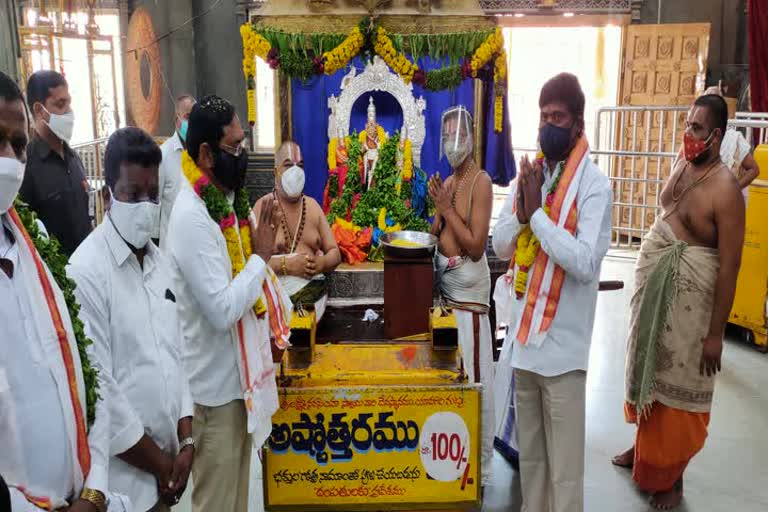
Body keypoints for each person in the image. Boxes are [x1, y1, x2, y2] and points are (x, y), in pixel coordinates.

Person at [613, 94, 744, 510]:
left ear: (717, 135)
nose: (688, 134)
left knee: (678, 392)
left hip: (692, 309)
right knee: (645, 371)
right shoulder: (682, 162)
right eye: (687, 125)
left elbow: (729, 267)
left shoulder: (726, 190)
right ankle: (642, 448)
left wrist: (715, 334)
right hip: (653, 296)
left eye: (698, 128)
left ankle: (672, 477)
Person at [0, 71, 120, 512]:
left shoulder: (33, 247)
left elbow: (86, 373)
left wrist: (93, 490)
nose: (10, 159)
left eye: (18, 145)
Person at [492, 73, 613, 512]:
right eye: (543, 116)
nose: (548, 126)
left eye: (557, 116)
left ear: (578, 123)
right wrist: (524, 211)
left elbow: (583, 262)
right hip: (525, 348)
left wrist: (537, 216)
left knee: (564, 474)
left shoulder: (595, 186)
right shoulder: (533, 174)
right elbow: (501, 244)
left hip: (564, 353)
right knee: (534, 467)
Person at [166, 95, 290, 512]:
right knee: (217, 504)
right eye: (235, 148)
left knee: (238, 502)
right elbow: (221, 309)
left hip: (237, 384)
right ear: (205, 154)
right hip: (213, 395)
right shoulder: (192, 218)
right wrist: (261, 257)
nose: (243, 157)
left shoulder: (225, 203)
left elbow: (246, 285)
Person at [68, 127, 195, 512]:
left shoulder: (160, 264)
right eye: (132, 195)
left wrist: (187, 441)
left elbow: (178, 355)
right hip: (127, 481)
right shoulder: (86, 270)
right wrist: (162, 466)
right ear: (108, 197)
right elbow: (101, 389)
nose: (145, 205)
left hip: (169, 472)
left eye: (152, 195)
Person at [428, 105, 495, 489]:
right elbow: (440, 233)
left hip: (468, 303)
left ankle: (478, 473)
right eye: (447, 135)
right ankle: (451, 466)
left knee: (474, 384)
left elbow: (474, 247)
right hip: (446, 303)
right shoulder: (450, 183)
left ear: (470, 138)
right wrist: (437, 217)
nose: (453, 143)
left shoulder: (481, 181)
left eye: (459, 135)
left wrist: (447, 210)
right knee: (450, 384)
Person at [253, 140, 341, 311]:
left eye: (299, 165)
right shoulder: (263, 207)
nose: (295, 171)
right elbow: (249, 265)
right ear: (275, 172)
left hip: (311, 302)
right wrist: (286, 265)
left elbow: (335, 253)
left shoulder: (313, 207)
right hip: (273, 305)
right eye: (288, 165)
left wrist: (321, 263)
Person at [20, 70, 91, 256]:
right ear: (38, 110)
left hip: (87, 272)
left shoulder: (74, 159)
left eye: (69, 103)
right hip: (55, 278)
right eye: (61, 104)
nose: (69, 112)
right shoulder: (26, 168)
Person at [702, 85, 760, 195]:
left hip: (726, 201)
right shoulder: (697, 136)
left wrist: (733, 189)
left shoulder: (734, 138)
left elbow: (754, 170)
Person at [158, 94, 195, 248]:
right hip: (171, 246)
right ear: (176, 120)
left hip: (197, 239)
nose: (192, 123)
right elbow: (155, 203)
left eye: (195, 118)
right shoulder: (163, 154)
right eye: (187, 117)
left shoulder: (202, 153)